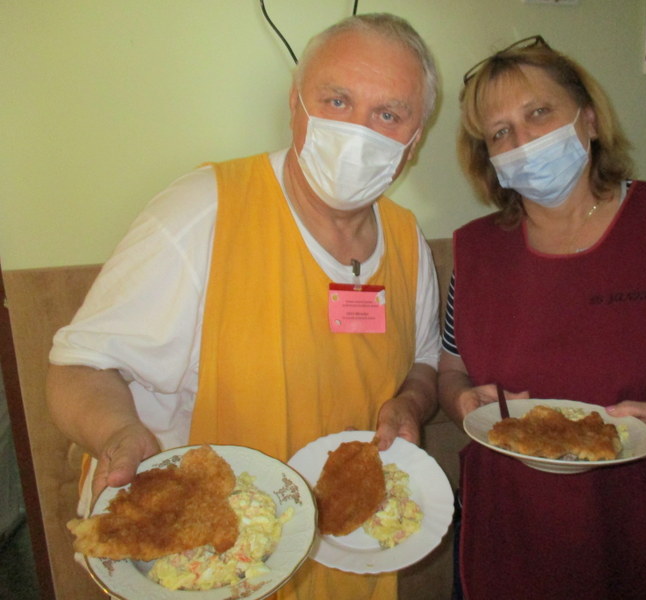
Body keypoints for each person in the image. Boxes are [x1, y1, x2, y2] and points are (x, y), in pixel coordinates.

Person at [47, 13, 440, 600]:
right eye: (336, 101)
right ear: (295, 104)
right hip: (208, 565)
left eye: (389, 114)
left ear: (414, 140)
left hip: (348, 557)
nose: (359, 131)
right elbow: (77, 367)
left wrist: (411, 402)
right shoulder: (203, 211)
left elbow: (424, 362)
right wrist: (118, 432)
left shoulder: (407, 239)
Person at [438, 36, 646, 600]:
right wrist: (461, 402)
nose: (522, 142)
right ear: (489, 159)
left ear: (590, 119)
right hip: (509, 518)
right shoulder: (476, 251)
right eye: (500, 133)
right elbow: (452, 371)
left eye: (538, 113)